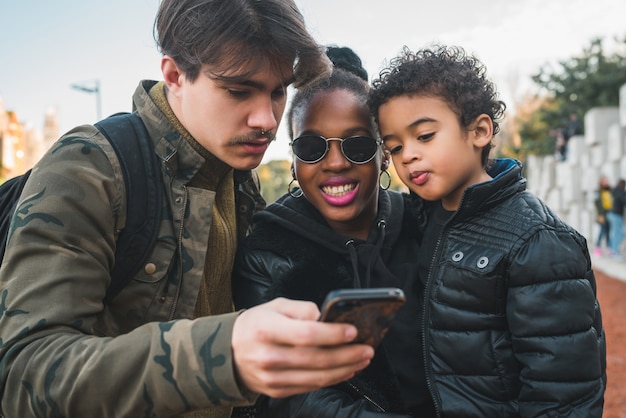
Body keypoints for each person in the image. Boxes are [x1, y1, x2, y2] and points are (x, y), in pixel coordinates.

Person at [0, 2, 376, 417]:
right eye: (238, 91)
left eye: (277, 91)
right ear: (175, 75)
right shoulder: (90, 168)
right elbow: (25, 374)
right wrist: (223, 355)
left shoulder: (237, 174)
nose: (266, 119)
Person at [368, 44, 607, 417]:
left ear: (479, 131)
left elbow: (563, 394)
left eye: (425, 136)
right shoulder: (427, 217)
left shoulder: (536, 241)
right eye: (394, 146)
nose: (408, 155)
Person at [232, 46, 423, 417]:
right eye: (311, 147)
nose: (335, 162)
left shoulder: (424, 225)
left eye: (357, 144)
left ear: (383, 153)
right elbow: (289, 394)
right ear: (293, 160)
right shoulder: (266, 253)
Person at [593, 175, 612, 256]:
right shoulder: (597, 191)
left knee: (608, 231)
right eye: (604, 180)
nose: (606, 182)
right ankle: (597, 248)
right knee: (602, 231)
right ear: (601, 182)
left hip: (610, 212)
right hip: (602, 214)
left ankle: (608, 248)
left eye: (606, 180)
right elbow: (597, 203)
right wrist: (600, 215)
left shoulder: (609, 190)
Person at [607, 178, 626, 259]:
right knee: (620, 233)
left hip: (612, 214)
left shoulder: (615, 191)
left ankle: (613, 250)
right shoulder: (620, 192)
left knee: (615, 233)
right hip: (616, 215)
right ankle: (614, 252)